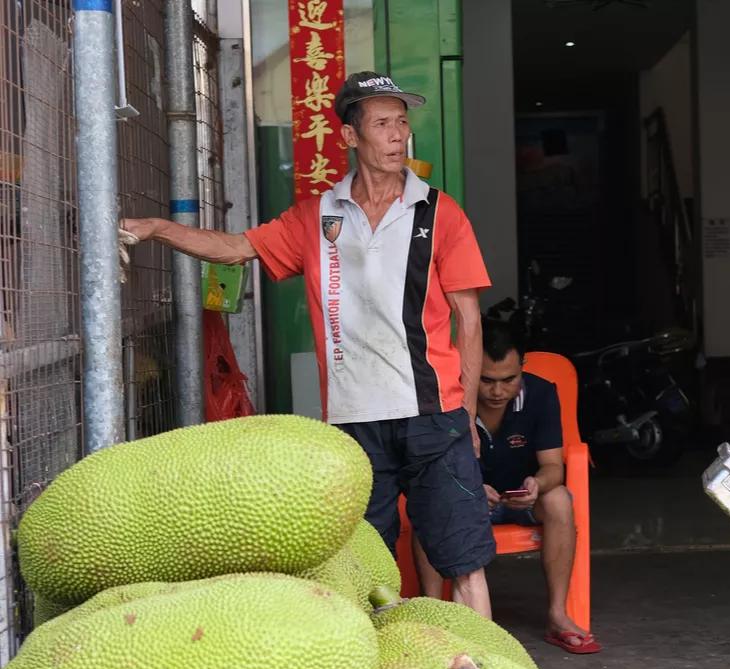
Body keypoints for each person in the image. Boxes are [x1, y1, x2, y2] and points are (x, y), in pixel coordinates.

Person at [121, 71, 495, 617]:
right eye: (383, 124)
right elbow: (235, 249)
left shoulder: (441, 213)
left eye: (402, 124)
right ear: (350, 136)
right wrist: (156, 227)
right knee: (364, 569)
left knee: (464, 560)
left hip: (432, 415)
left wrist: (463, 411)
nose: (397, 136)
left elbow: (470, 320)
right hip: (352, 421)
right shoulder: (315, 217)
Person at [415, 318, 600, 655]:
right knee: (428, 502)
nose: (497, 391)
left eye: (508, 380)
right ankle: (433, 614)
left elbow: (553, 468)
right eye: (486, 380)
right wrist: (470, 490)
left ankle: (558, 615)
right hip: (467, 501)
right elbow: (434, 464)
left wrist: (536, 485)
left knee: (558, 499)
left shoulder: (541, 394)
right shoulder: (449, 397)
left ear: (522, 368)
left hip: (523, 502)